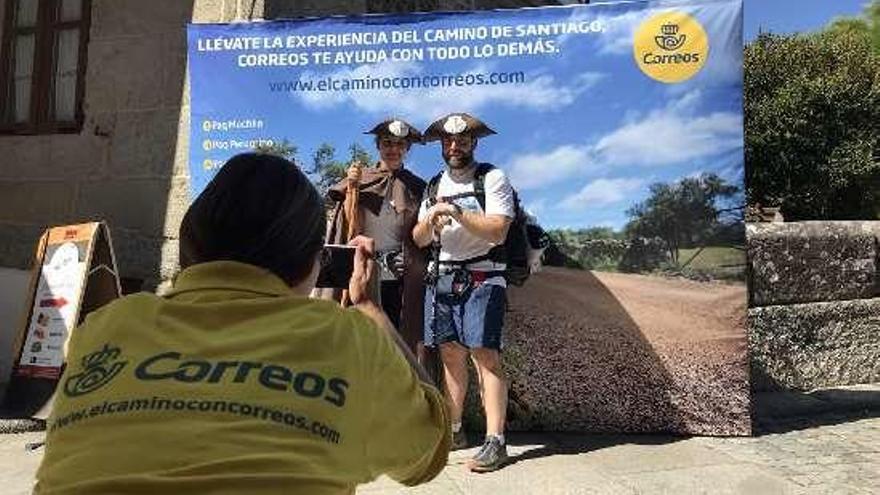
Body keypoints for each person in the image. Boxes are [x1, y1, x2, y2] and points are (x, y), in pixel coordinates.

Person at [34, 153, 450, 494]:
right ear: (311, 262)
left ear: (192, 242)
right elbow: (427, 453)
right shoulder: (346, 339)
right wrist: (370, 308)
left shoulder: (103, 329)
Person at [412, 113, 514, 472]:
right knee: (451, 355)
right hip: (442, 277)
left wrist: (453, 209)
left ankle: (496, 442)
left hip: (484, 277)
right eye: (448, 141)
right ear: (442, 145)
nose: (455, 146)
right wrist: (430, 220)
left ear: (474, 143)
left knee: (485, 356)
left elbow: (498, 230)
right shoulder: (432, 185)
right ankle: (455, 431)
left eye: (462, 140)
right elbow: (419, 239)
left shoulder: (492, 178)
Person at [323, 118, 428, 358]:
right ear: (378, 146)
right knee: (358, 338)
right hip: (362, 271)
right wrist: (351, 185)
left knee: (393, 339)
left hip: (399, 276)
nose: (393, 149)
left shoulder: (417, 187)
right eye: (387, 143)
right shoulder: (361, 179)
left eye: (400, 144)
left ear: (407, 149)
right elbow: (340, 217)